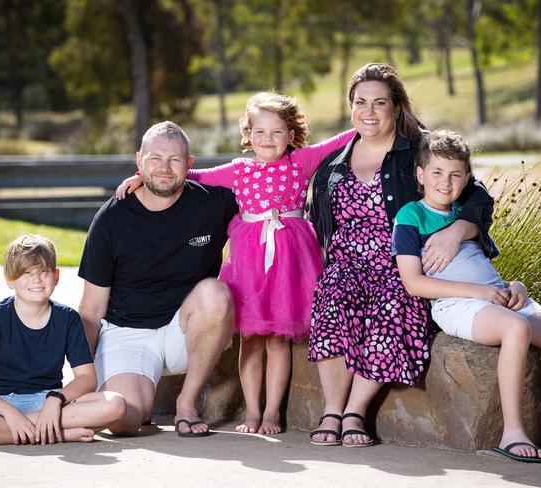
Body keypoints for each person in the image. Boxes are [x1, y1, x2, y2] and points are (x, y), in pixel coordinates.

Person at [115, 93, 356, 434]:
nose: (267, 140)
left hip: (289, 262)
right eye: (259, 132)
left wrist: (376, 121)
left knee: (278, 340)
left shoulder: (300, 162)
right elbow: (191, 174)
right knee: (252, 340)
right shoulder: (239, 170)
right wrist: (142, 176)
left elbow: (342, 139)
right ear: (248, 134)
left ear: (291, 134)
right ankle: (253, 413)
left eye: (276, 132)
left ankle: (272, 413)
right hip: (250, 265)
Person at [307, 63, 496, 447]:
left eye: (380, 102)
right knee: (332, 298)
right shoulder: (333, 165)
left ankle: (354, 413)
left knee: (397, 303)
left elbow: (476, 195)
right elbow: (319, 224)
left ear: (396, 107)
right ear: (351, 107)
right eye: (361, 102)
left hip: (401, 264)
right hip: (347, 265)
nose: (369, 111)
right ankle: (331, 409)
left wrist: (459, 230)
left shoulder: (418, 151)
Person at [393, 129, 541, 463]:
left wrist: (517, 286)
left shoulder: (467, 213)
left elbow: (483, 267)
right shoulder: (410, 216)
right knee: (516, 329)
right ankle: (512, 433)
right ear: (421, 174)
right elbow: (414, 283)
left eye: (456, 174)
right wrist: (478, 292)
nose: (446, 181)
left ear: (467, 177)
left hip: (501, 297)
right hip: (458, 305)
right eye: (437, 172)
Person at [78, 121, 239, 437]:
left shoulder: (213, 203)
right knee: (124, 419)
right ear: (139, 161)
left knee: (215, 293)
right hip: (127, 333)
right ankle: (125, 397)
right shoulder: (112, 218)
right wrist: (81, 382)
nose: (164, 168)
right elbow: (90, 310)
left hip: (184, 330)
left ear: (189, 165)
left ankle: (187, 403)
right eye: (155, 159)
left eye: (174, 160)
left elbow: (266, 181)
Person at [0, 234, 126, 446]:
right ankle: (55, 433)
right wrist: (9, 413)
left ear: (56, 276)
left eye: (44, 272)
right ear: (10, 279)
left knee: (115, 404)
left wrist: (55, 400)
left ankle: (32, 429)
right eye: (26, 273)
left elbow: (87, 378)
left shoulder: (67, 318)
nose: (36, 280)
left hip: (45, 401)